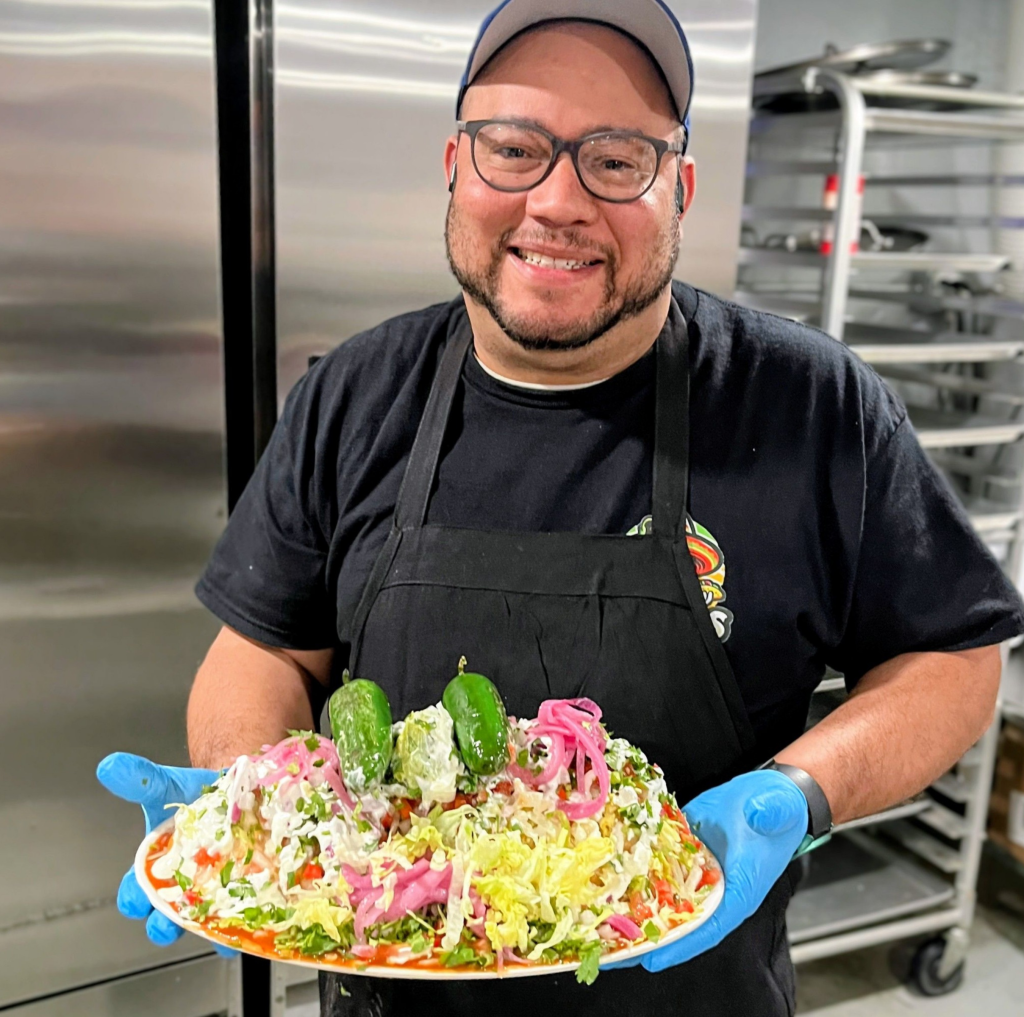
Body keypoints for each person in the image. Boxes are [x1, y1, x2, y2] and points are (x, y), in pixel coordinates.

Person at [98, 2, 1024, 1014]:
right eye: (514, 148)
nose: (557, 200)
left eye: (617, 159)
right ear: (455, 163)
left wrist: (799, 793)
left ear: (680, 187)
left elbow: (951, 660)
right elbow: (265, 647)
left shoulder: (811, 404)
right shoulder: (353, 393)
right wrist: (260, 805)